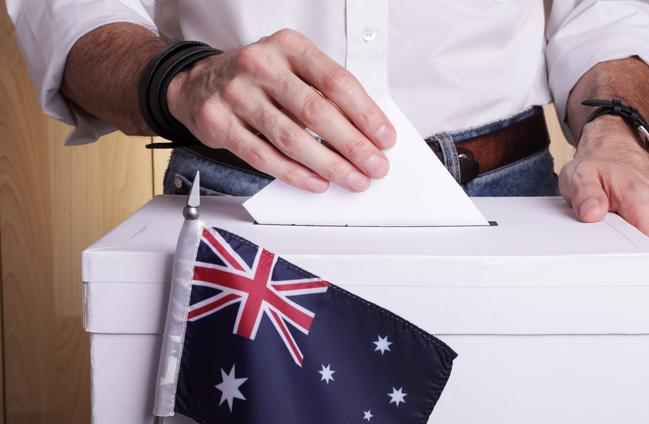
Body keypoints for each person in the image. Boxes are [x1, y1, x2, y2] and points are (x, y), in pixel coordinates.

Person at [7, 0, 649, 234]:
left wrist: (617, 129)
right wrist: (179, 78)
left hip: (510, 200)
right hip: (241, 197)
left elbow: (607, 10)